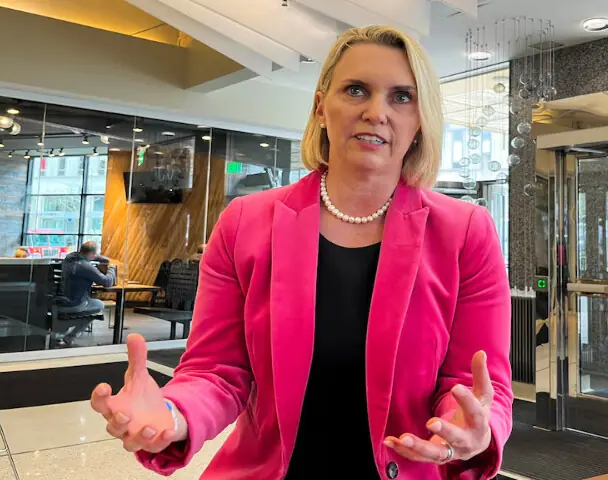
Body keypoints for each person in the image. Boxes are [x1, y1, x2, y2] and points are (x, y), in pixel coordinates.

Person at [90, 25, 512, 480]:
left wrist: (471, 427)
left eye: (401, 97)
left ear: (421, 120)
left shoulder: (466, 232)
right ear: (321, 107)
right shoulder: (245, 223)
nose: (376, 112)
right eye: (356, 90)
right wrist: (174, 415)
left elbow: (475, 385)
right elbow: (217, 371)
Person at [56, 242, 115, 341]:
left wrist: (107, 259)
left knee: (91, 303)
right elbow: (107, 282)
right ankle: (71, 337)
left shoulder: (69, 257)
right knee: (99, 305)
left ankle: (61, 332)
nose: (96, 256)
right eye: (95, 254)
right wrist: (112, 267)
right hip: (74, 304)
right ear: (91, 254)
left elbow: (93, 256)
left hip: (59, 301)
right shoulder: (86, 266)